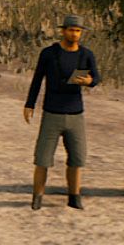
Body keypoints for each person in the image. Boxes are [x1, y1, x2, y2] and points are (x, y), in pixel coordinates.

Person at [24, 14, 102, 210]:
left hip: (76, 113)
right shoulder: (49, 54)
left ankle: (74, 197)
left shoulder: (86, 55)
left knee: (77, 158)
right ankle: (37, 197)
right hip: (52, 112)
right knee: (42, 158)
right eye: (71, 30)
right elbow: (37, 79)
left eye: (78, 31)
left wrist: (89, 81)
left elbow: (96, 77)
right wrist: (29, 104)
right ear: (63, 31)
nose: (74, 34)